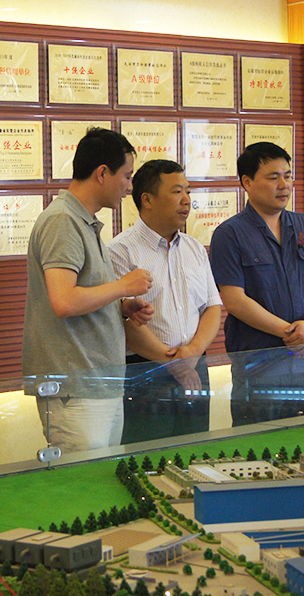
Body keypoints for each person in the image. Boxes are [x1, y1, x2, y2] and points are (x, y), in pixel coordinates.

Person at [22, 127, 154, 452]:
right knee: (83, 479)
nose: (130, 187)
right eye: (127, 176)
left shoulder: (83, 220)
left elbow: (81, 294)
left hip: (98, 385)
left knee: (103, 477)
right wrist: (122, 286)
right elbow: (64, 301)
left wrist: (119, 305)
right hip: (76, 389)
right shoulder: (62, 221)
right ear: (102, 173)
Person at [209, 142, 304, 426]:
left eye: (288, 176)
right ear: (247, 182)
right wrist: (291, 333)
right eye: (273, 177)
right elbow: (234, 300)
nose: (284, 185)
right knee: (259, 442)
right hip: (258, 367)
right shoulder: (229, 234)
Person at [106, 160, 222, 443]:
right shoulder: (119, 251)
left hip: (195, 365)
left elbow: (212, 307)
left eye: (188, 192)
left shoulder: (194, 248)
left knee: (195, 452)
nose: (186, 201)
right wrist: (174, 364)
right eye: (177, 192)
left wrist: (192, 353)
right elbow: (124, 321)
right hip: (146, 371)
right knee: (148, 456)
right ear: (147, 199)